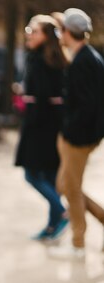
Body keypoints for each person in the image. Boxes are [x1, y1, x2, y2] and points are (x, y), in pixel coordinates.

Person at [49, 8, 104, 260]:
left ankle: (78, 245)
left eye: (61, 29)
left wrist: (70, 133)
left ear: (68, 32)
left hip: (79, 138)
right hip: (80, 135)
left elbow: (87, 105)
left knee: (71, 188)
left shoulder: (84, 61)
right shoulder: (86, 57)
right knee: (65, 185)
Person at [14, 15, 68, 241]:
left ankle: (62, 212)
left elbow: (43, 95)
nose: (29, 34)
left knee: (32, 174)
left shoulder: (39, 60)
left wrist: (28, 100)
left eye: (33, 30)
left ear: (46, 36)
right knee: (50, 176)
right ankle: (51, 226)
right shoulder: (57, 60)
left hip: (39, 126)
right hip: (52, 125)